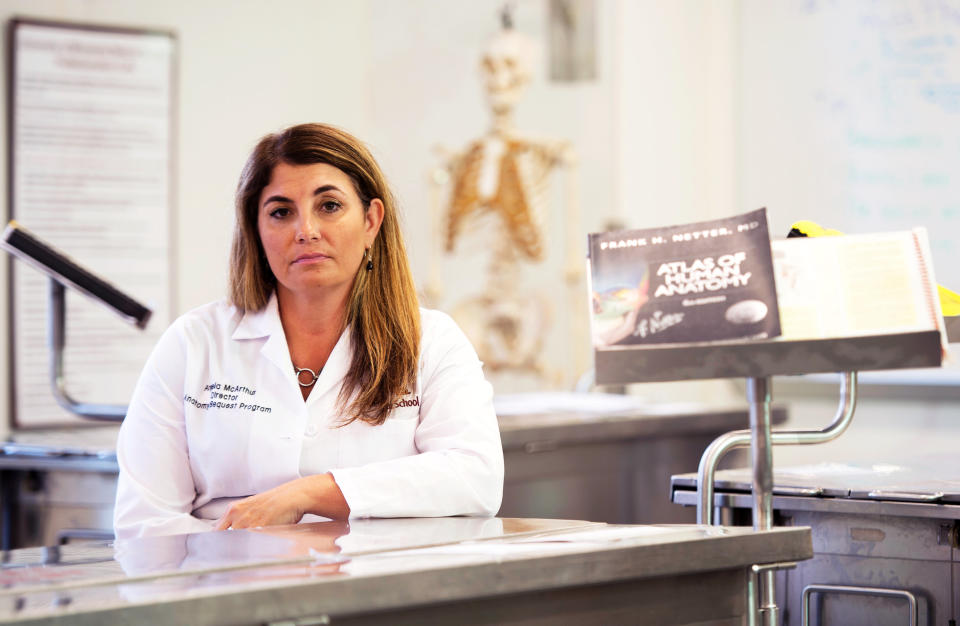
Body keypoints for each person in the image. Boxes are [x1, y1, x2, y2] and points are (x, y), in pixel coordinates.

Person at [113, 123, 504, 539]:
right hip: (227, 584)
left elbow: (474, 476)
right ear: (256, 230)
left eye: (329, 206)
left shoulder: (431, 340)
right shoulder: (194, 343)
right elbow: (145, 520)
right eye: (281, 212)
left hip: (381, 582)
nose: (306, 231)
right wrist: (256, 560)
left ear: (371, 221)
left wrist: (309, 494)